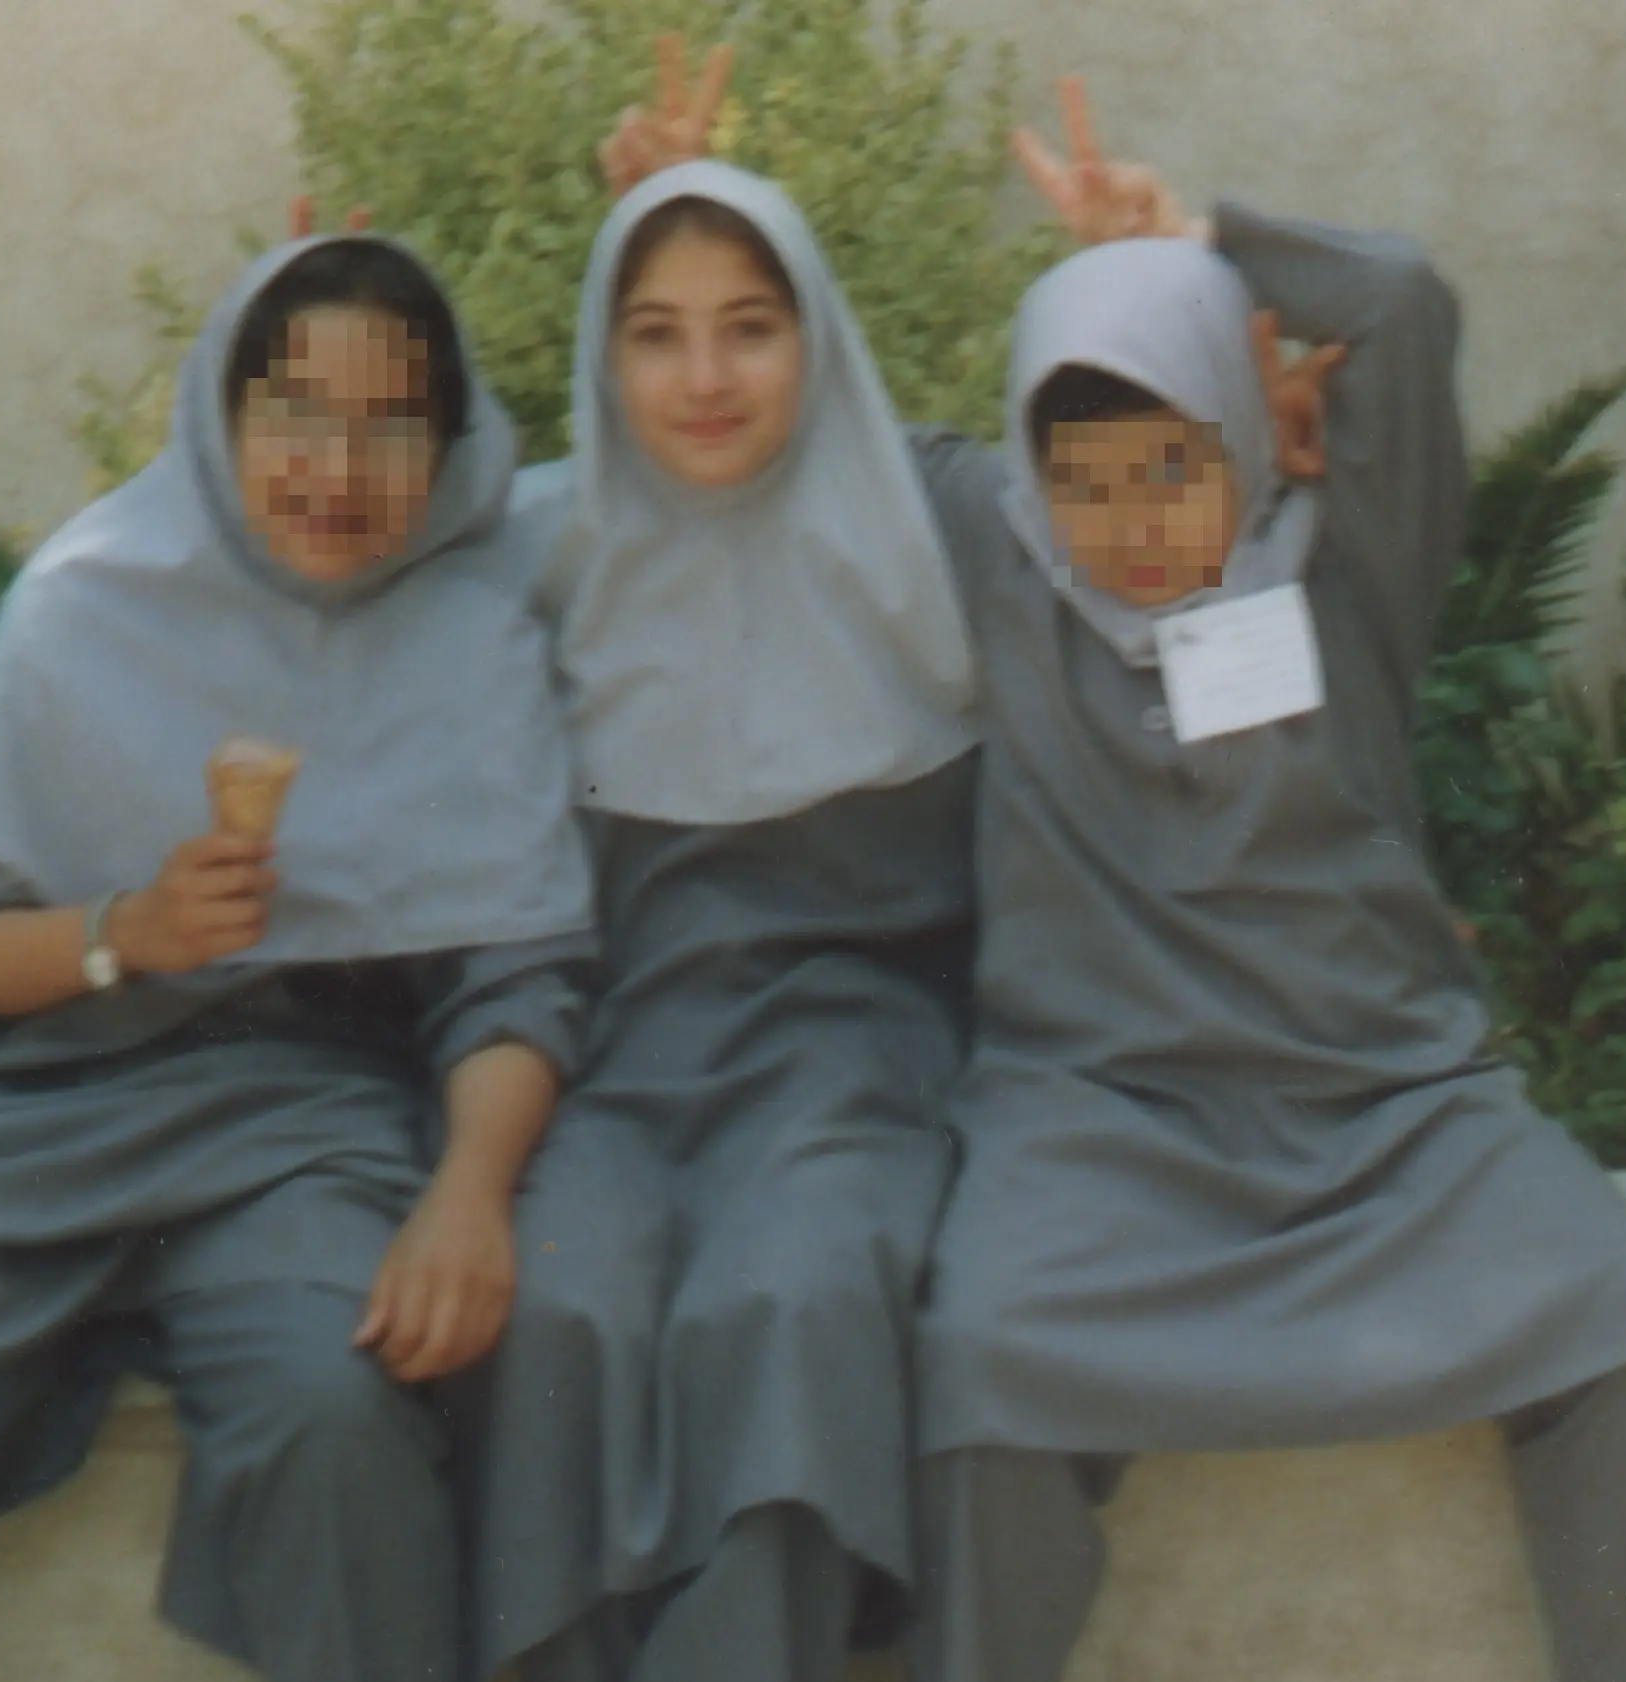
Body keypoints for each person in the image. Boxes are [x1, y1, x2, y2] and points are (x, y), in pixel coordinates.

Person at [901, 81, 1626, 1682]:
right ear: (1032, 472)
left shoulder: (1348, 565)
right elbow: (772, 436)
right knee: (981, 1381)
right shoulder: (1001, 564)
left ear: (1238, 432)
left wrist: (1202, 248)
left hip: (1395, 1117)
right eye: (1086, 476)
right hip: (1098, 1134)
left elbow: (1401, 300)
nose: (1128, 523)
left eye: (1169, 467)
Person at [0, 228, 599, 1682]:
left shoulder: (472, 645)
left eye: (392, 422)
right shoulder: (90, 597)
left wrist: (469, 1192)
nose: (338, 468)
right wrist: (123, 933)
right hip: (10, 1109)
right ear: (223, 410)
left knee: (335, 1410)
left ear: (454, 446)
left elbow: (514, 977)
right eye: (296, 411)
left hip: (297, 1118)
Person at [464, 45, 980, 1682]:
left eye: (751, 326)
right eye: (656, 331)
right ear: (602, 360)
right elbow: (320, 526)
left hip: (854, 1062)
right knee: (559, 1310)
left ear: (816, 336)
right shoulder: (547, 545)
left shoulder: (932, 520)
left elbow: (1153, 491)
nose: (704, 379)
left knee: (798, 1300)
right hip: (614, 1070)